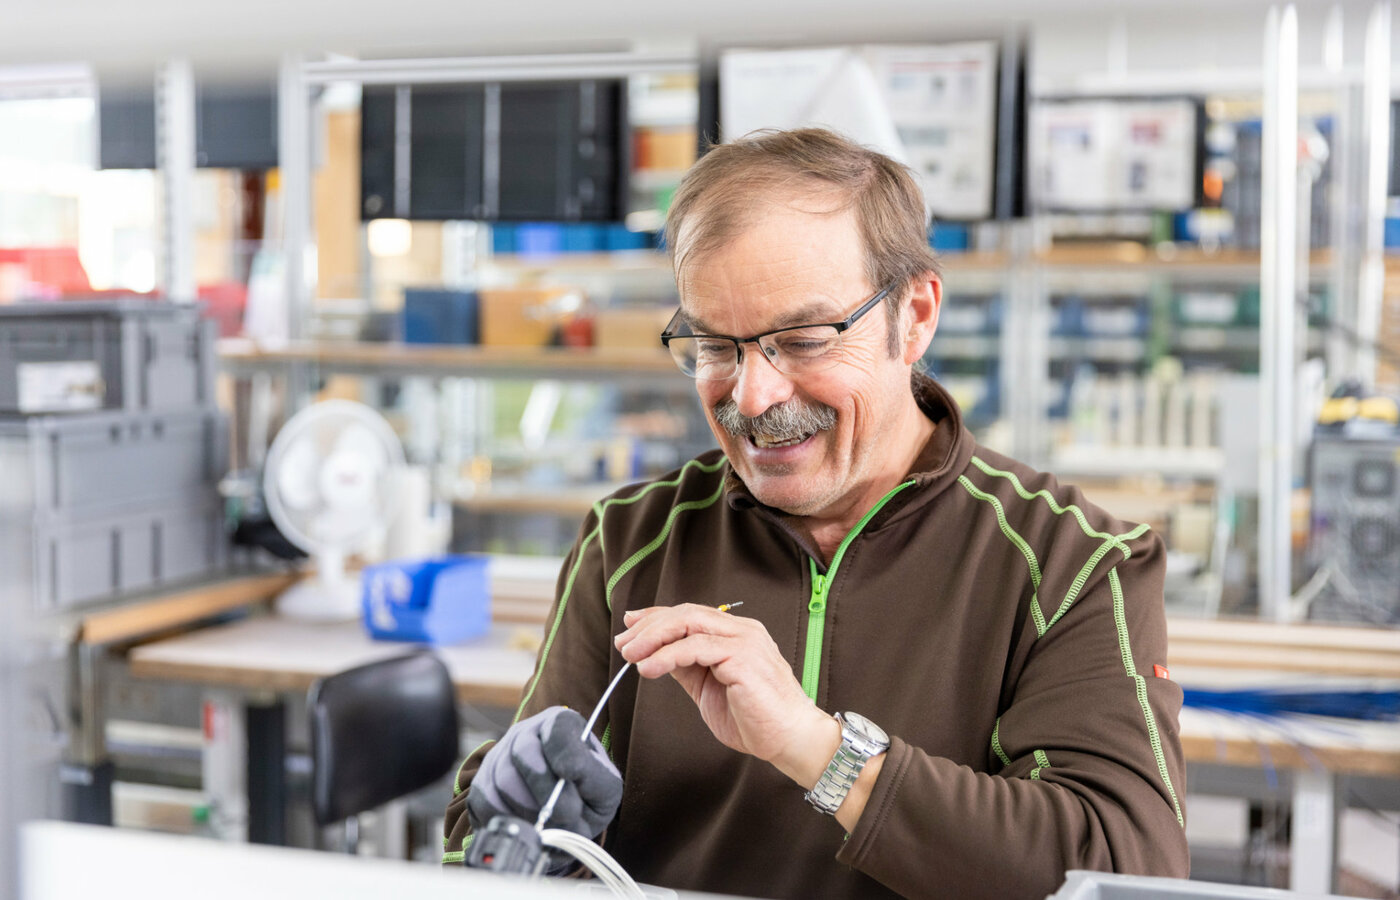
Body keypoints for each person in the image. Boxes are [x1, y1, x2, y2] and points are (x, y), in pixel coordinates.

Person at [443, 127, 1188, 900]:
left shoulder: (1074, 562)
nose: (752, 397)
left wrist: (819, 749)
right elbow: (478, 856)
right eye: (715, 345)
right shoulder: (631, 539)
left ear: (917, 315)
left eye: (801, 341)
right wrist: (505, 806)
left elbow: (1125, 868)